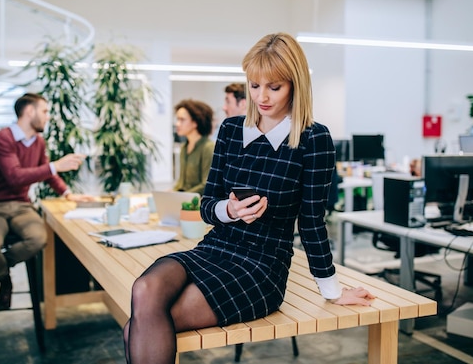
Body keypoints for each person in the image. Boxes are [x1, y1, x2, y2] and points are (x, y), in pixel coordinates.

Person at [123, 33, 374, 364]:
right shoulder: (229, 130)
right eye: (254, 86)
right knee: (144, 291)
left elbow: (312, 222)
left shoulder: (314, 138)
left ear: (295, 85)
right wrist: (229, 209)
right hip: (215, 247)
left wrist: (332, 291)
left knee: (136, 327)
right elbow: (206, 206)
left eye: (274, 86)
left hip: (262, 266)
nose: (262, 96)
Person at [0, 92, 94, 310]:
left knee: (38, 239)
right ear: (29, 111)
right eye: (45, 111)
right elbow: (15, 177)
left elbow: (47, 174)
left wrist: (68, 193)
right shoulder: (3, 138)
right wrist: (55, 165)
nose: (47, 117)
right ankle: (4, 280)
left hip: (22, 205)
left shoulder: (37, 142)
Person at [172, 99, 215, 195]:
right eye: (177, 119)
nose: (177, 124)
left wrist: (180, 196)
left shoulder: (208, 148)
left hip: (198, 203)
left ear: (195, 122)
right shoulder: (184, 147)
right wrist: (171, 193)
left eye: (182, 120)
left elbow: (206, 184)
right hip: (184, 201)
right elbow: (181, 183)